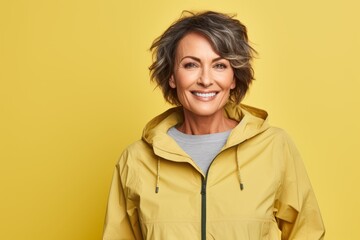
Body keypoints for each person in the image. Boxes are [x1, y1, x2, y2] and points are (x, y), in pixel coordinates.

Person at [102, 11, 325, 240]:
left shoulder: (275, 147)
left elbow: (307, 232)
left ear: (233, 77)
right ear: (172, 77)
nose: (206, 80)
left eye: (219, 66)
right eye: (191, 65)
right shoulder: (135, 160)